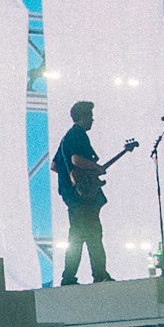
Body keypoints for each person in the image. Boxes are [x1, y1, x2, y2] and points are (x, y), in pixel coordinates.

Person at [53, 100, 113, 285]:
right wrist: (94, 168)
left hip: (71, 194)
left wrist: (72, 177)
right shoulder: (79, 135)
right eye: (90, 116)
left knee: (76, 236)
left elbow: (54, 165)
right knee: (94, 235)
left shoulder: (66, 137)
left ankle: (69, 277)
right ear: (83, 116)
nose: (93, 120)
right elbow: (76, 159)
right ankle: (99, 275)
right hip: (83, 196)